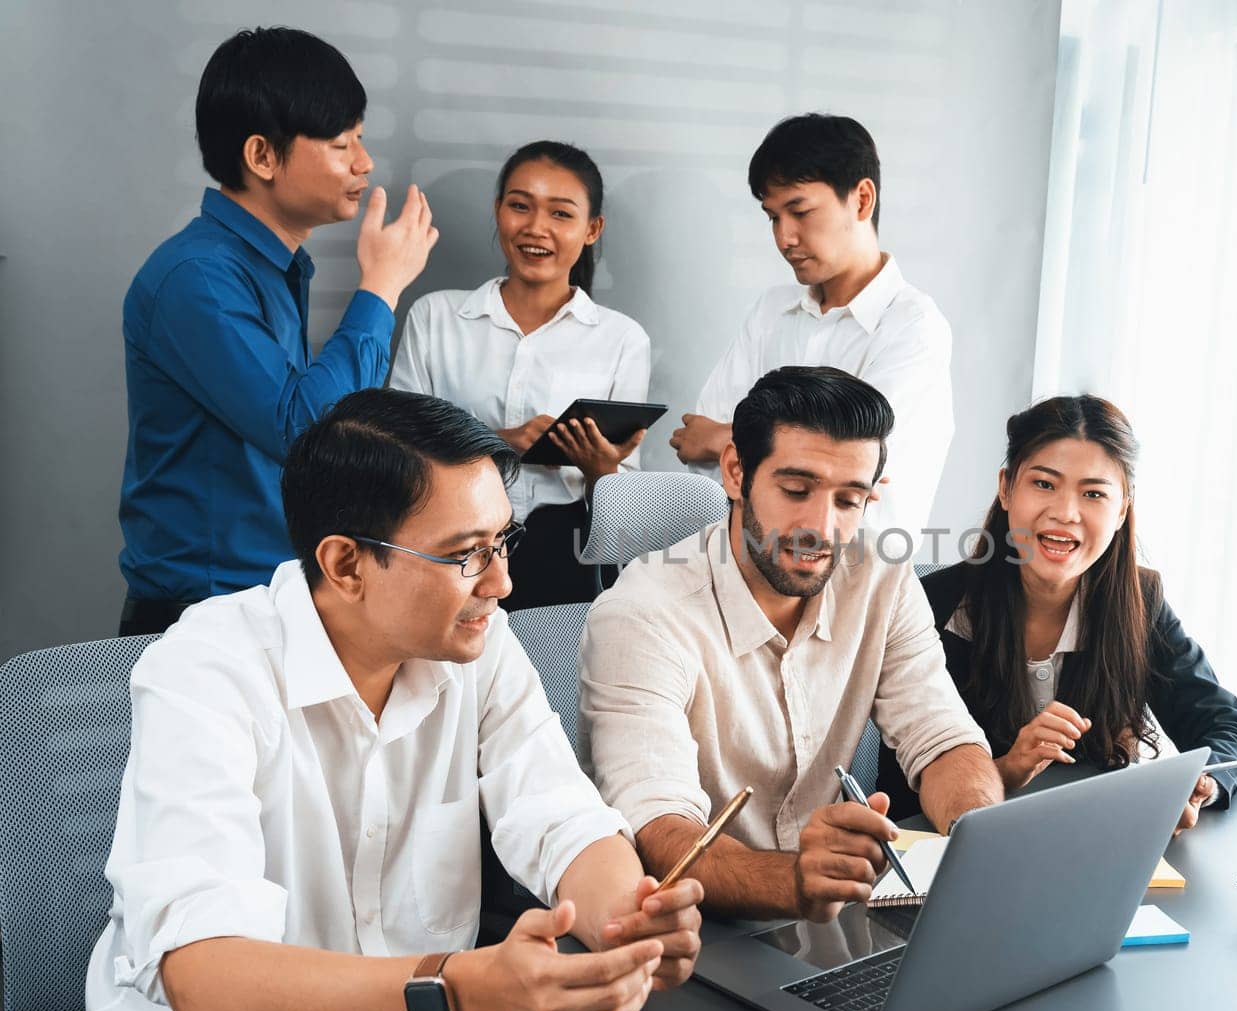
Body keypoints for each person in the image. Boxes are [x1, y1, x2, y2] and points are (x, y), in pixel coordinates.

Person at [82, 389, 702, 1011]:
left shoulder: (479, 642)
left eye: (504, 540)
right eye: (466, 554)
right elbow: (204, 977)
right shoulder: (207, 668)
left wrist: (626, 916)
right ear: (346, 564)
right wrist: (461, 987)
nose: (501, 582)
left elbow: (561, 815)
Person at [583, 366, 1002, 922]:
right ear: (735, 471)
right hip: (697, 931)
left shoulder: (882, 580)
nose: (821, 525)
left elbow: (943, 739)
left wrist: (982, 848)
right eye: (796, 490)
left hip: (830, 918)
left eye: (849, 500)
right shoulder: (641, 615)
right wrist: (795, 883)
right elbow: (660, 830)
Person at [117, 27, 438, 636]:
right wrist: (382, 286)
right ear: (262, 156)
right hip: (203, 618)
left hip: (269, 600)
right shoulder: (199, 278)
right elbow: (308, 432)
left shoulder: (273, 265)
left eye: (360, 139)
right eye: (341, 143)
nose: (363, 163)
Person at [875, 395, 1237, 834]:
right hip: (952, 862)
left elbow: (1227, 730)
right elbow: (899, 798)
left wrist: (1198, 785)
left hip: (1092, 853)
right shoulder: (932, 605)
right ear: (1006, 488)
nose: (1065, 513)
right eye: (1043, 484)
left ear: (1122, 509)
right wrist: (1007, 768)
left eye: (1094, 493)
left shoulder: (1140, 602)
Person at [670, 114, 953, 543]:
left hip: (857, 575)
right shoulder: (772, 310)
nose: (784, 237)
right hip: (748, 560)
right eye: (772, 217)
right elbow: (700, 451)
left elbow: (859, 468)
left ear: (861, 199)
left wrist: (727, 438)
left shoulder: (913, 326)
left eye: (799, 211)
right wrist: (724, 441)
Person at [391, 141, 649, 608]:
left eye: (561, 214)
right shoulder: (435, 317)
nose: (535, 228)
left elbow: (623, 506)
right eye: (519, 206)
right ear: (498, 210)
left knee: (551, 676)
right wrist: (498, 442)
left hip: (564, 554)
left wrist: (601, 469)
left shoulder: (622, 339)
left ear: (593, 229)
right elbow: (393, 448)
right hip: (445, 545)